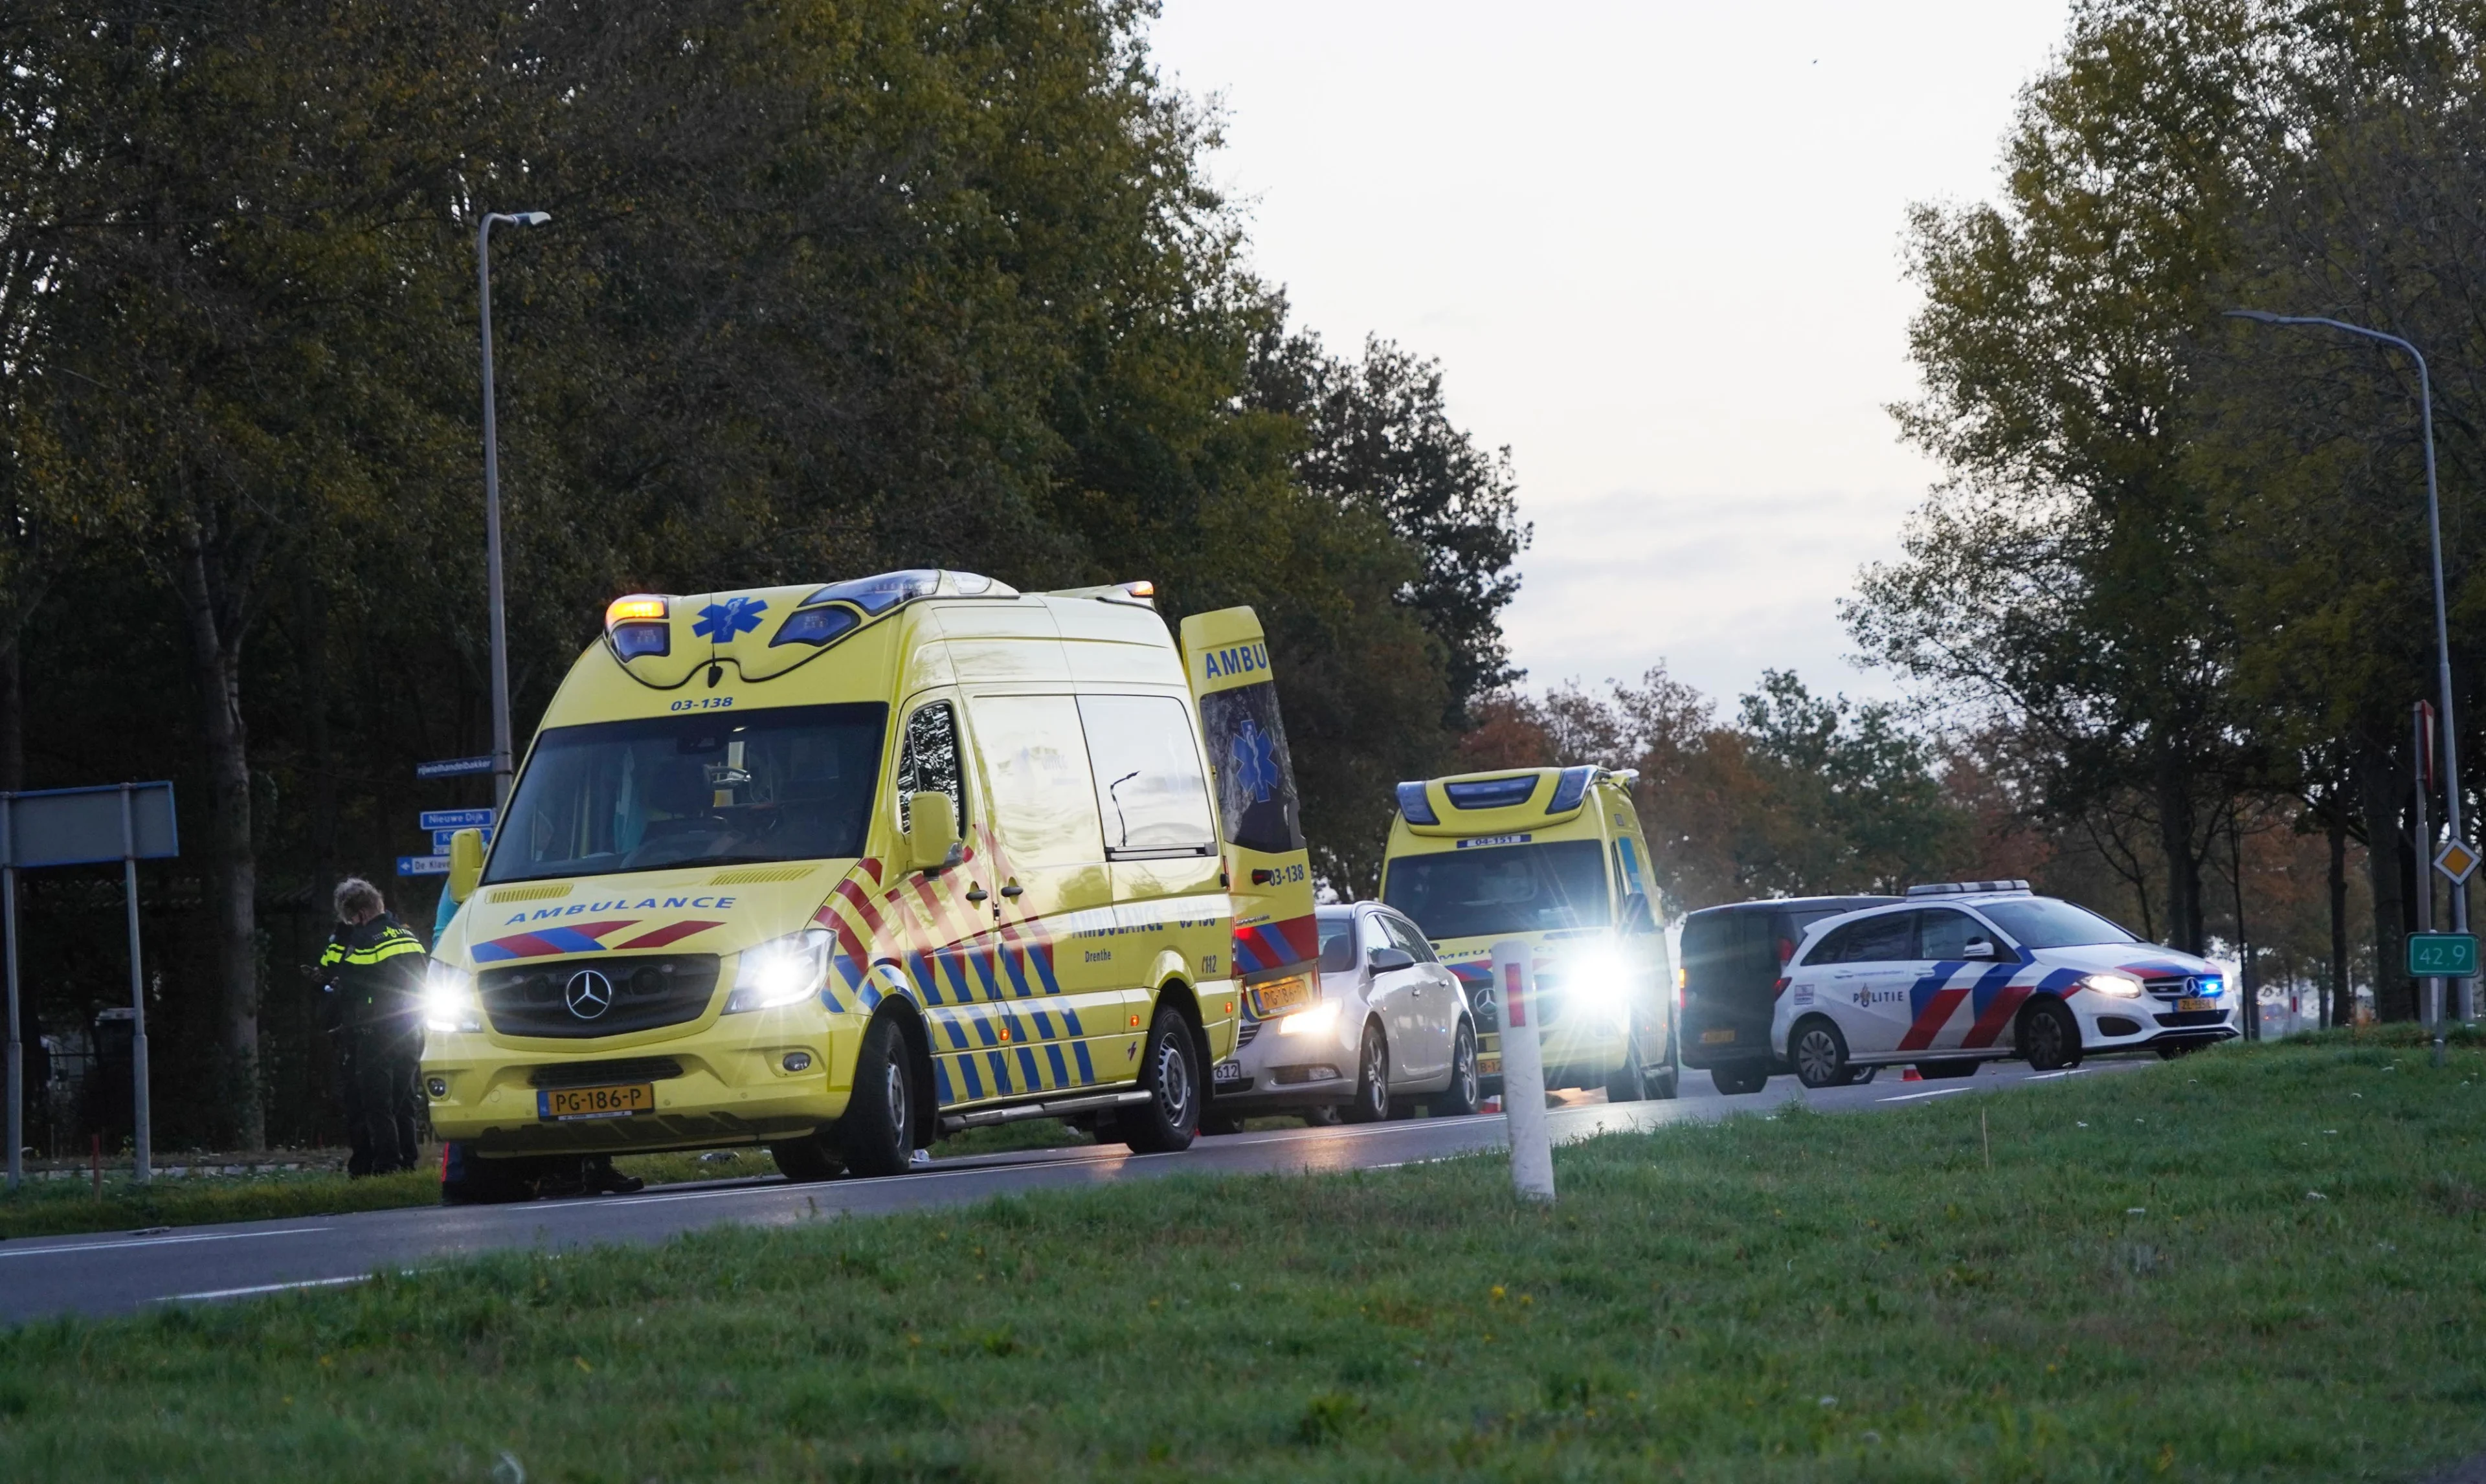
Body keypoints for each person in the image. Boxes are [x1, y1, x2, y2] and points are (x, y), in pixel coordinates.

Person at [318, 877, 427, 1177]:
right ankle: (408, 1163)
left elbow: (345, 983)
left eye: (350, 919)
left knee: (377, 1103)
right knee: (404, 1099)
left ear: (360, 914)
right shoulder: (408, 935)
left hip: (375, 1032)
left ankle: (385, 1166)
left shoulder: (364, 940)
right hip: (411, 1028)